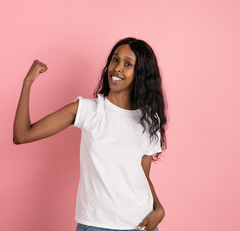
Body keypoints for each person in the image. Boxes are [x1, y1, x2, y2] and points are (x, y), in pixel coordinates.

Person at [13, 37, 167, 231]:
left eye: (128, 64)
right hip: (97, 225)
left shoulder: (149, 120)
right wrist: (28, 82)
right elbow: (22, 135)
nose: (117, 68)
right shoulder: (90, 111)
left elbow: (142, 174)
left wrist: (159, 208)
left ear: (141, 74)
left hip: (142, 223)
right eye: (115, 59)